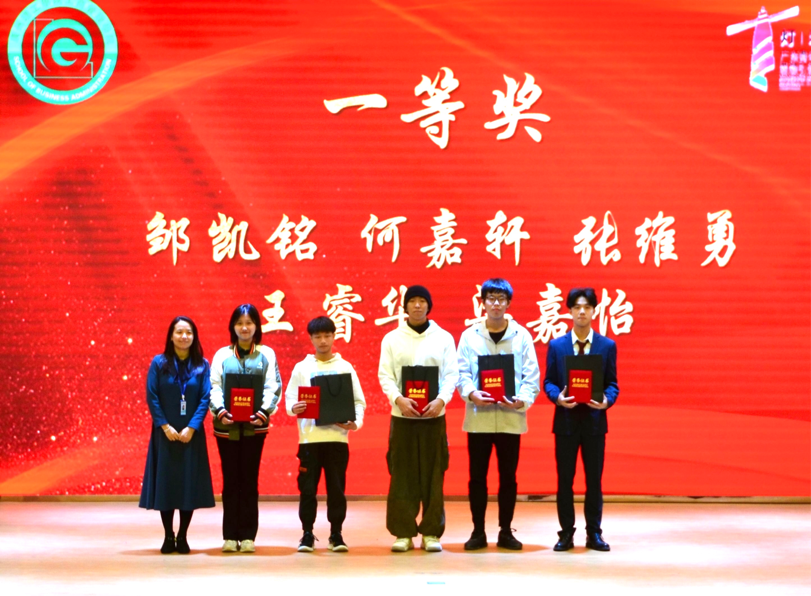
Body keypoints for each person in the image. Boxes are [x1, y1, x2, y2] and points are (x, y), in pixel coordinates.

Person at [456, 279, 540, 551]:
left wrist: (522, 400)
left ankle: (505, 531)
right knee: (477, 478)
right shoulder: (469, 336)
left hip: (509, 418)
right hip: (479, 418)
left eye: (501, 299)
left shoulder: (521, 336)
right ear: (482, 302)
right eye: (491, 298)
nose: (495, 303)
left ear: (508, 303)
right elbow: (461, 373)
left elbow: (531, 376)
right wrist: (471, 393)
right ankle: (478, 531)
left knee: (508, 478)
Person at [378, 285, 459, 553]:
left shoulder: (444, 338)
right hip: (402, 418)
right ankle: (403, 532)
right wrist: (398, 399)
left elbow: (452, 374)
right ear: (405, 307)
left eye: (422, 301)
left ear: (429, 306)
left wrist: (441, 400)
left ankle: (431, 532)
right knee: (402, 474)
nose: (417, 305)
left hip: (434, 417)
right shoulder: (392, 338)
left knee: (434, 475)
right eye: (412, 301)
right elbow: (385, 375)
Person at [543, 287, 618, 552]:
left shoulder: (607, 346)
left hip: (595, 423)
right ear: (570, 311)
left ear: (594, 311)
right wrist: (557, 397)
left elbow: (612, 383)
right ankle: (566, 533)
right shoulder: (557, 346)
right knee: (565, 481)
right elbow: (549, 381)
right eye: (577, 307)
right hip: (566, 422)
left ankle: (594, 533)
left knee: (594, 481)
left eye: (587, 307)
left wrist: (607, 400)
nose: (582, 312)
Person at [285, 316, 366, 553]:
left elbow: (358, 401)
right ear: (310, 338)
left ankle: (336, 534)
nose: (323, 341)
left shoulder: (345, 367)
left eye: (327, 336)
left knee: (337, 490)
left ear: (333, 336)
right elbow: (289, 399)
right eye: (318, 336)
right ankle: (307, 534)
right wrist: (294, 407)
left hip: (337, 439)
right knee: (307, 489)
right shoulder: (302, 368)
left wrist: (354, 423)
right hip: (309, 440)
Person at [210, 304, 282, 553]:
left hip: (254, 428)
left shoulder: (266, 354)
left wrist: (263, 413)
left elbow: (273, 386)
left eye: (249, 322)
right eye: (239, 323)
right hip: (226, 428)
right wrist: (221, 411)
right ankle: (230, 536)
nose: (244, 327)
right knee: (230, 481)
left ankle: (248, 536)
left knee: (249, 481)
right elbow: (214, 386)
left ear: (256, 326)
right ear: (233, 327)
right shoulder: (222, 355)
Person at [140, 316, 215, 554]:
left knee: (187, 486)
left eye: (189, 332)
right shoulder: (159, 363)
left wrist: (192, 427)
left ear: (194, 337)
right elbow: (152, 396)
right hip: (165, 435)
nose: (184, 336)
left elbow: (205, 398)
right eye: (179, 332)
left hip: (191, 435)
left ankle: (182, 535)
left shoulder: (202, 365)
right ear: (171, 336)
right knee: (167, 485)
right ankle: (168, 535)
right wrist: (164, 426)